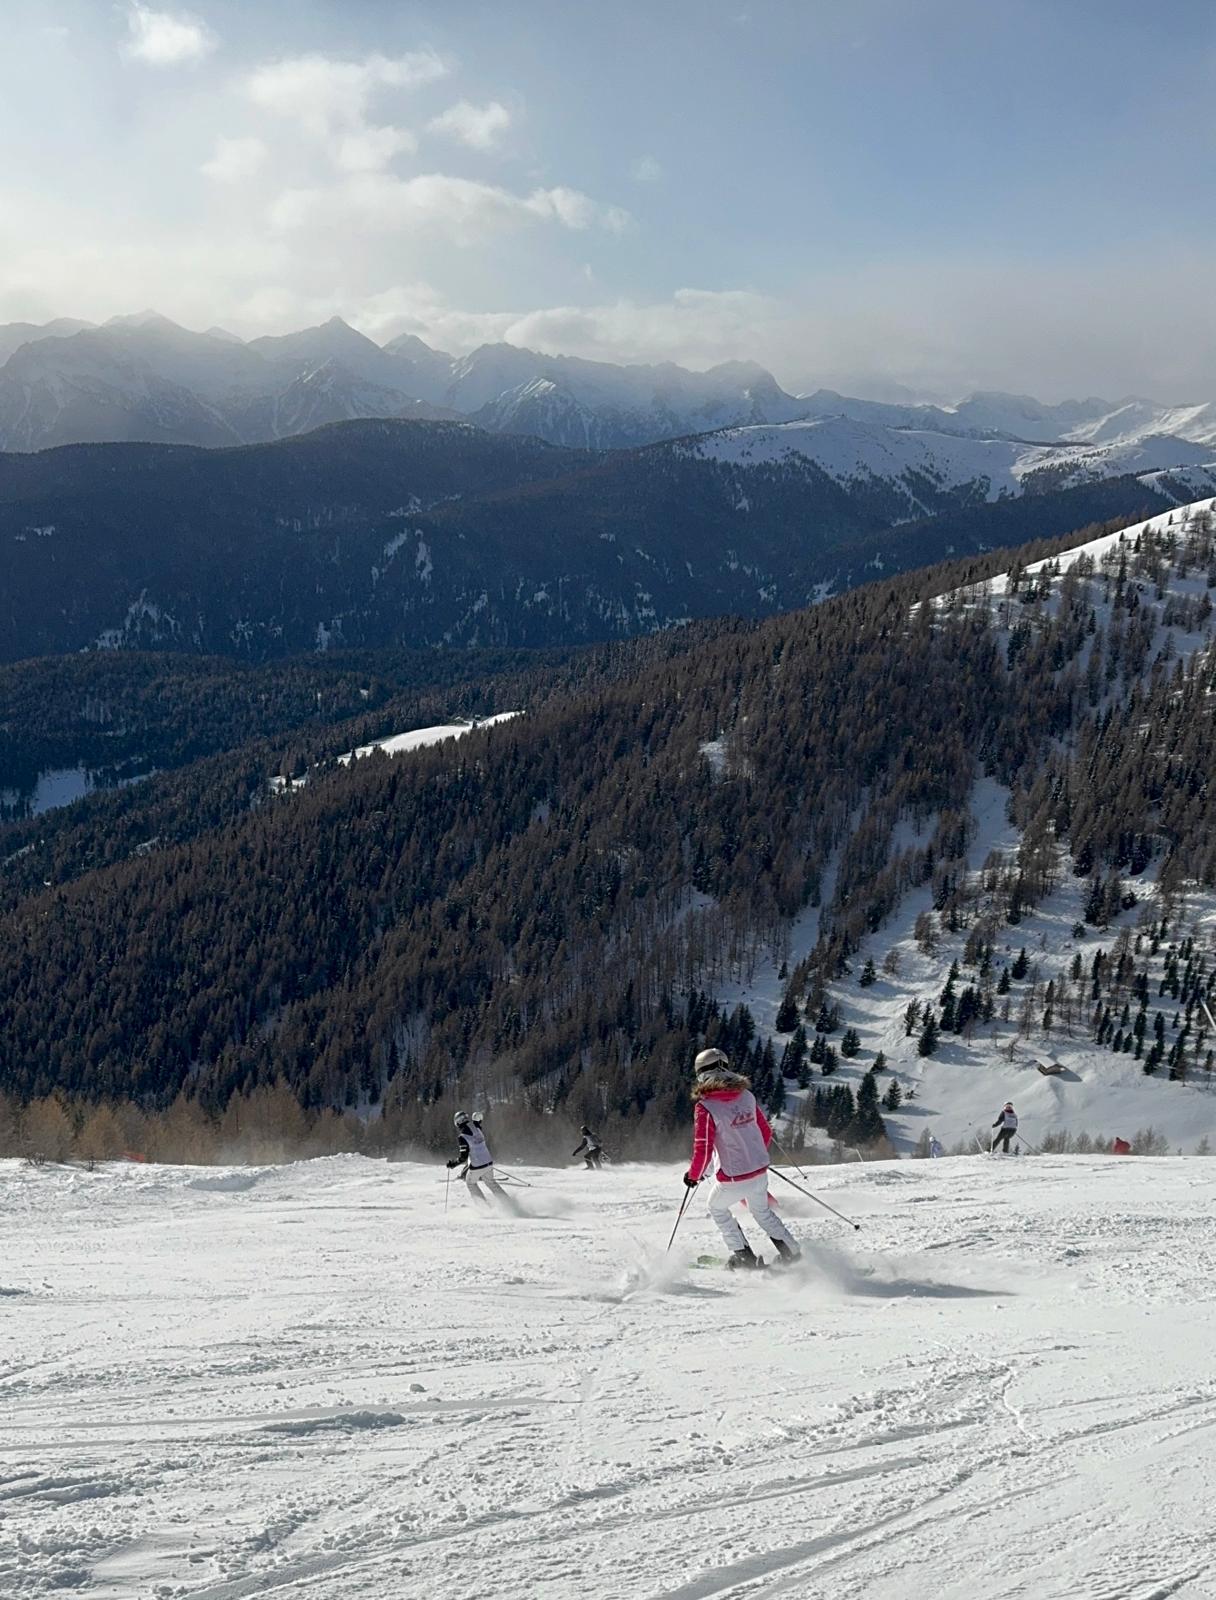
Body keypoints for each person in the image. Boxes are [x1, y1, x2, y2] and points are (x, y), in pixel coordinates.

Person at [684, 1047, 800, 1269]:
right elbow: (765, 1131)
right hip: (758, 1172)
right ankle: (793, 1254)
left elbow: (704, 1148)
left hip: (733, 1177)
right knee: (762, 1212)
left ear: (700, 1073)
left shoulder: (705, 1106)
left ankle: (743, 1256)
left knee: (717, 1208)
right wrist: (752, 1154)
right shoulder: (746, 1096)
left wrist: (693, 1176)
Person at [447, 1111, 511, 1206]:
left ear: (457, 1123)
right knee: (491, 1183)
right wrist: (477, 1117)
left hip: (477, 1166)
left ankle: (484, 1206)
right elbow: (478, 1120)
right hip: (488, 1162)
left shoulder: (462, 1137)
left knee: (470, 1183)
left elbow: (463, 1158)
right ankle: (509, 1204)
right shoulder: (476, 1127)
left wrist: (453, 1163)